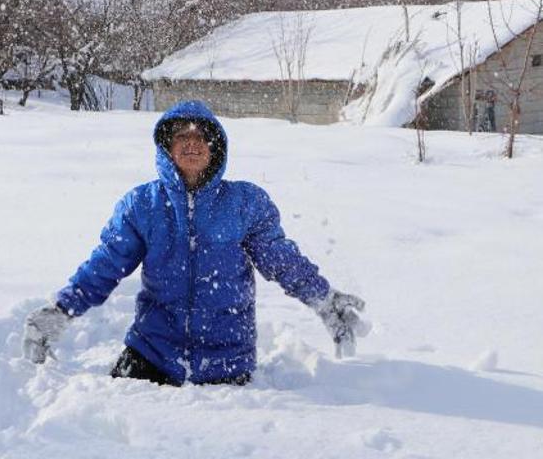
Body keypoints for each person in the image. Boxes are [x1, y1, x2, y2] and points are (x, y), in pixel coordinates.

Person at [22, 100, 366, 386]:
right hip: (151, 352)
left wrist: (323, 298)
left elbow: (281, 260)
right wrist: (63, 309)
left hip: (227, 360)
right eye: (180, 135)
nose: (191, 142)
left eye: (201, 135)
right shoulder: (142, 205)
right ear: (166, 147)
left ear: (214, 146)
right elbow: (106, 264)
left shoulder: (245, 203)